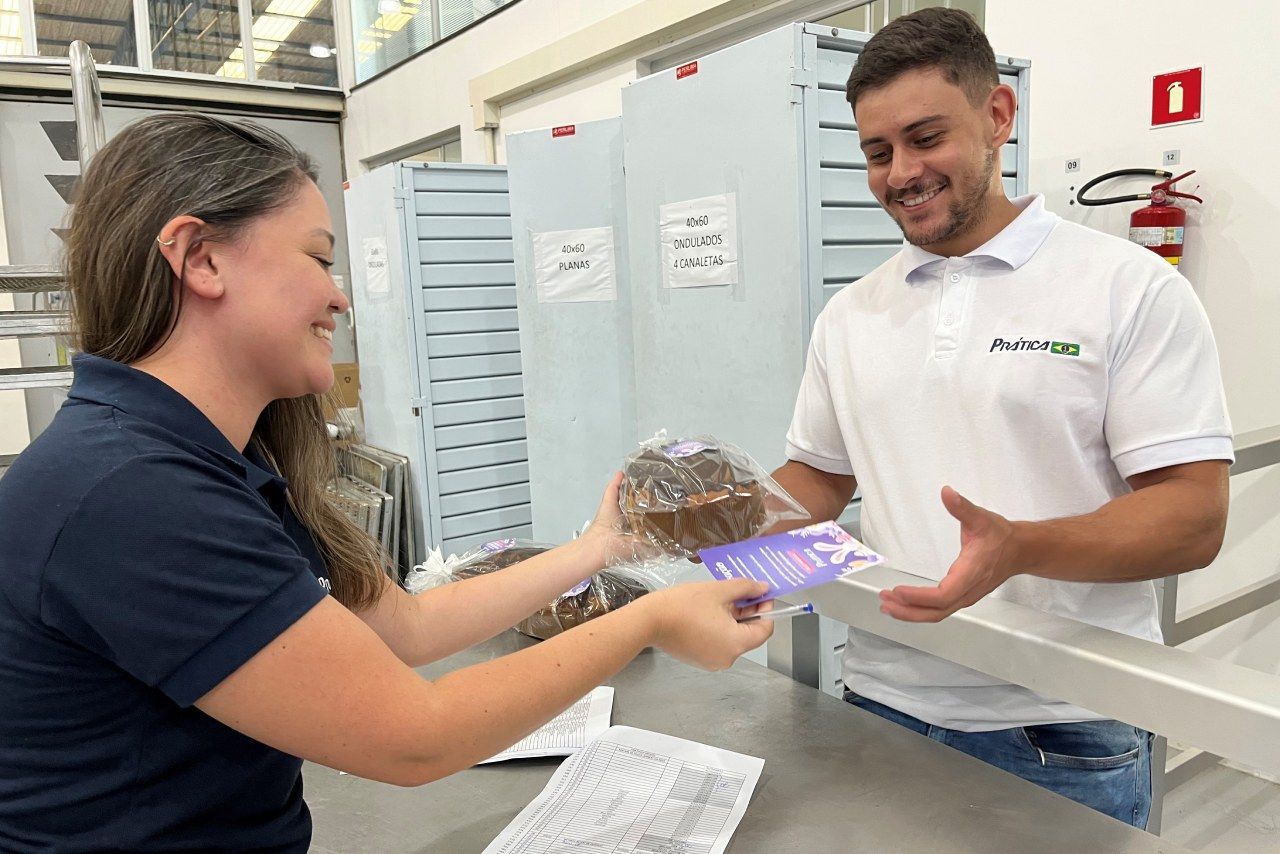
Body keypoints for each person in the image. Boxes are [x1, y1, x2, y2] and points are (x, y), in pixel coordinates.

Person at [0, 113, 772, 852]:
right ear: (201, 259)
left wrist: (598, 548)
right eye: (317, 258)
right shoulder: (131, 492)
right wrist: (649, 621)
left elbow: (403, 628)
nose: (339, 296)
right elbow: (416, 737)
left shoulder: (198, 461)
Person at [770, 8, 1231, 829]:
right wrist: (711, 516)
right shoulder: (851, 314)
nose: (901, 172)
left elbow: (1193, 516)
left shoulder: (1127, 287)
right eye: (877, 152)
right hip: (878, 701)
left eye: (925, 138)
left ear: (997, 116)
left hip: (1062, 728)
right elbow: (819, 477)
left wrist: (1021, 546)